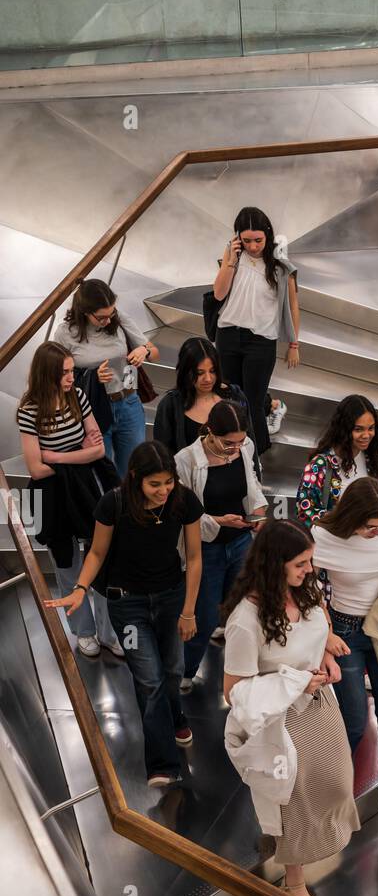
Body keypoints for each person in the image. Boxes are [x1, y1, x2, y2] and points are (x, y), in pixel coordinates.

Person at [45, 442, 203, 788]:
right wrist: (79, 589)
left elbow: (193, 557)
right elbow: (98, 551)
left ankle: (174, 717)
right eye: (154, 484)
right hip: (127, 603)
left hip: (172, 598)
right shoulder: (113, 503)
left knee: (173, 670)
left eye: (168, 482)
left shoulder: (184, 501)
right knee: (149, 678)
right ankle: (163, 764)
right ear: (136, 478)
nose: (163, 491)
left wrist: (189, 611)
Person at [222, 519, 359, 896]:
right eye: (300, 564)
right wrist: (296, 681)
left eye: (309, 561)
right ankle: (294, 880)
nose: (309, 571)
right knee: (294, 799)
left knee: (336, 781)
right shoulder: (245, 622)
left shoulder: (306, 593)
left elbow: (319, 627)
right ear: (274, 563)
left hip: (319, 706)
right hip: (281, 722)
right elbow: (234, 692)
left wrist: (327, 651)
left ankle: (326, 840)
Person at [312, 479, 378, 823]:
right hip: (346, 630)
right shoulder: (322, 536)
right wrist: (325, 635)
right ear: (352, 517)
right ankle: (330, 799)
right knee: (353, 721)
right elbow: (307, 588)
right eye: (371, 527)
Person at [17, 341, 123, 659]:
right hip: (53, 497)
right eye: (64, 373)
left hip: (86, 486)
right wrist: (79, 452)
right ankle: (84, 631)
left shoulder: (77, 397)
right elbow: (35, 468)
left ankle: (108, 631)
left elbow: (99, 450)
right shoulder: (29, 410)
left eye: (70, 371)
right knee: (67, 565)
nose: (71, 377)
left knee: (100, 557)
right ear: (47, 374)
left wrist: (57, 456)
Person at [173, 400, 267, 692]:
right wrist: (217, 521)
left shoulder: (245, 447)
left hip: (240, 541)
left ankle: (243, 672)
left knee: (244, 607)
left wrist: (259, 516)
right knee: (204, 615)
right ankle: (185, 671)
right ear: (210, 431)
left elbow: (252, 486)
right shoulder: (186, 460)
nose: (235, 448)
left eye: (240, 441)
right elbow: (182, 513)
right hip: (206, 546)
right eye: (229, 442)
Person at [212, 206, 300, 463]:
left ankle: (255, 455)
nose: (252, 246)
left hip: (261, 341)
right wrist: (230, 260)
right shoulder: (232, 257)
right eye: (246, 240)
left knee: (251, 399)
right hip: (228, 335)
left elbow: (293, 305)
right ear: (238, 237)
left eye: (258, 240)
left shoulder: (280, 266)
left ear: (268, 236)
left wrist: (294, 343)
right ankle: (233, 450)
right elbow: (218, 294)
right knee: (229, 396)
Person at [53, 279, 159, 478]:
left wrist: (143, 350)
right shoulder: (65, 333)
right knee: (103, 472)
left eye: (111, 314)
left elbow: (154, 352)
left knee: (134, 471)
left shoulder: (119, 319)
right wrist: (92, 376)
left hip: (128, 401)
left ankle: (130, 509)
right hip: (93, 408)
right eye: (101, 317)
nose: (108, 321)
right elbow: (56, 377)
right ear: (85, 312)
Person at [296, 394, 378, 528]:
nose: (366, 435)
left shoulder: (371, 458)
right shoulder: (319, 464)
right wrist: (348, 526)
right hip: (334, 541)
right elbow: (305, 512)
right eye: (358, 429)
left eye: (371, 428)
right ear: (344, 429)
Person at [152, 336, 248, 455]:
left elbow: (250, 446)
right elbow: (163, 455)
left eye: (212, 371)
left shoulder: (235, 396)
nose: (208, 379)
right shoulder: (170, 405)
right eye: (199, 373)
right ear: (186, 372)